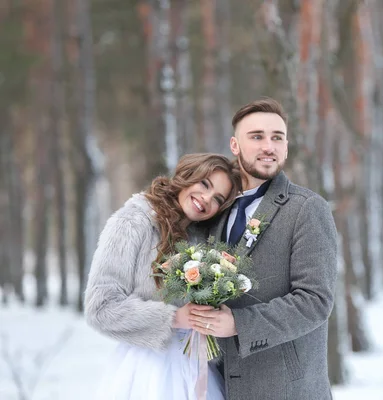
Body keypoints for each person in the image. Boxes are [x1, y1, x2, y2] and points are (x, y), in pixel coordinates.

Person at [188, 98, 338, 400]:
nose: (268, 146)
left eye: (277, 137)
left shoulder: (308, 209)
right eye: (256, 137)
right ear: (234, 145)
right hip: (219, 386)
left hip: (286, 389)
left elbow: (315, 300)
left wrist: (240, 324)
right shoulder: (215, 208)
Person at [84, 153, 241, 400]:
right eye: (205, 184)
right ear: (188, 176)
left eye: (217, 199)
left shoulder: (202, 239)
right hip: (146, 372)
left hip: (195, 369)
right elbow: (100, 308)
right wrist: (173, 318)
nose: (206, 199)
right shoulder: (133, 221)